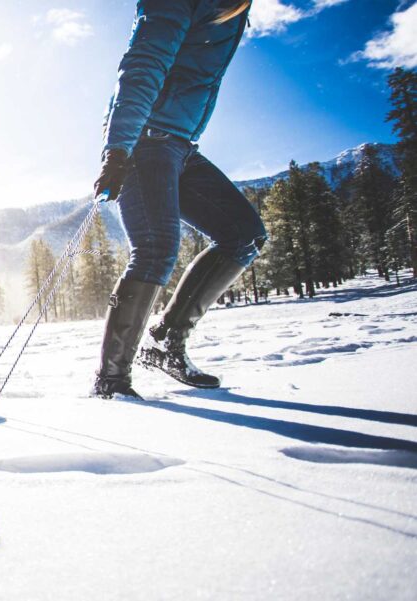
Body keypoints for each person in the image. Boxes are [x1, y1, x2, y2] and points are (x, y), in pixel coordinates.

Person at [91, 0, 267, 399]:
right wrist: (118, 149)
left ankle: (166, 343)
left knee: (244, 235)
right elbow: (143, 65)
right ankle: (112, 382)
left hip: (181, 146)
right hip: (146, 138)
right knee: (155, 249)